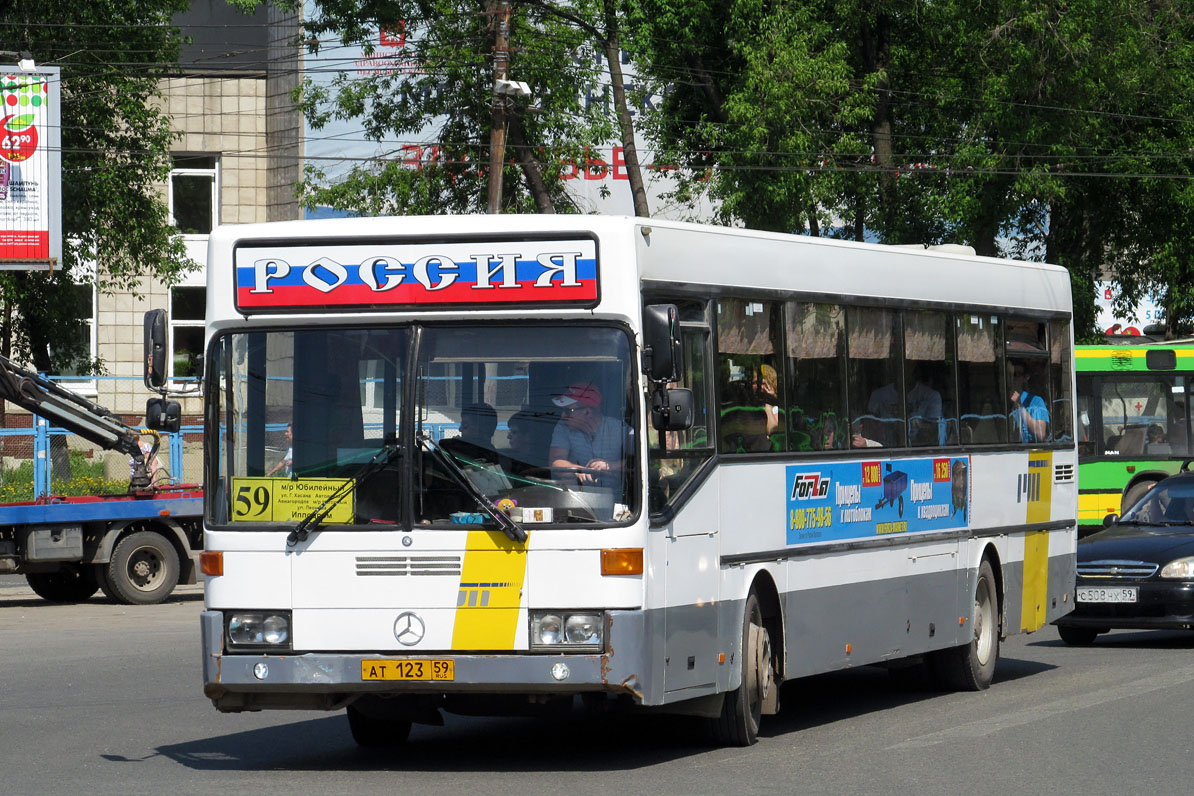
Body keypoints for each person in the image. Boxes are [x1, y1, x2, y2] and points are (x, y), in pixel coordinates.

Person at [549, 381, 628, 485]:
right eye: (562, 411)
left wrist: (610, 466)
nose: (562, 416)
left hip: (617, 496)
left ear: (587, 412)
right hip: (576, 494)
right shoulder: (563, 426)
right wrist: (578, 470)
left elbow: (637, 462)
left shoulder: (619, 429)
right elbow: (556, 460)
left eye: (568, 411)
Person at [501, 410, 551, 476]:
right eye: (509, 433)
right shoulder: (506, 459)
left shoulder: (539, 464)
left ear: (528, 436)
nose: (508, 437)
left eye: (514, 433)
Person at [1010, 365, 1049, 442]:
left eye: (1016, 375)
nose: (1012, 379)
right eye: (1009, 375)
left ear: (1025, 378)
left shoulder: (1035, 401)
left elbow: (1040, 434)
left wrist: (1019, 406)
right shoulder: (1001, 403)